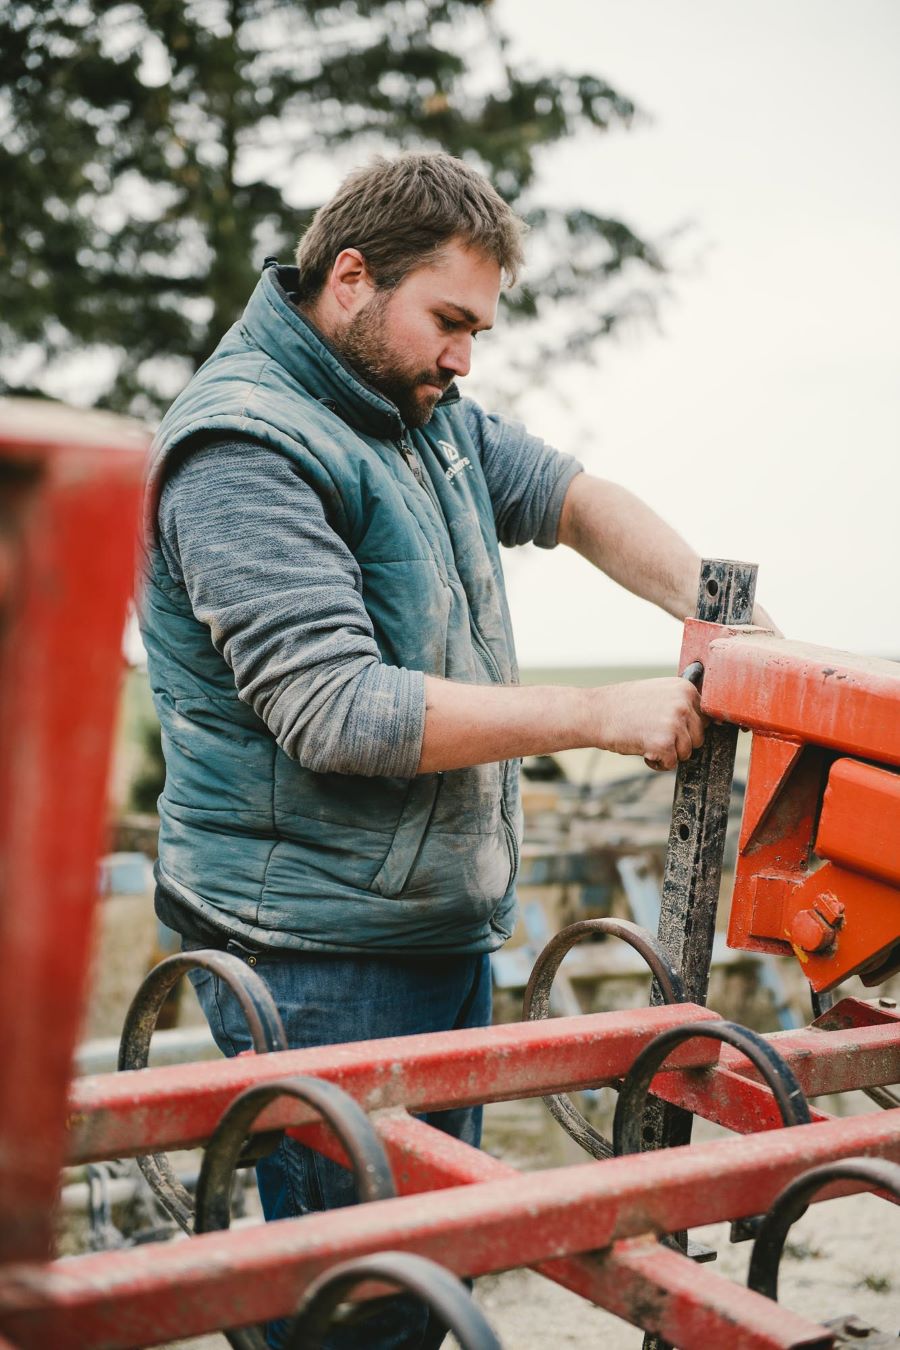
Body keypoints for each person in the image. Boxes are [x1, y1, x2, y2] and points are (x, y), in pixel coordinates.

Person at [140, 152, 767, 1348]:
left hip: (426, 926)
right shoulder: (243, 451)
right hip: (312, 954)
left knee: (425, 1284)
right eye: (451, 322)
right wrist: (598, 713)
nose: (465, 357)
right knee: (361, 1313)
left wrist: (727, 620)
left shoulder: (417, 408)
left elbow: (571, 496)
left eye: (479, 329)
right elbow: (336, 708)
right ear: (351, 278)